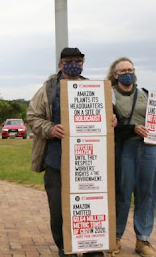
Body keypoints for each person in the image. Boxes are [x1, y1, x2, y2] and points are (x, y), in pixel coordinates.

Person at [26, 47, 105, 257]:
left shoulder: (93, 87)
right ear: (61, 64)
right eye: (69, 60)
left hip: (87, 163)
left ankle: (90, 246)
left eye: (78, 60)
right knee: (58, 210)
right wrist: (50, 129)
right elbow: (33, 116)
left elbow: (107, 115)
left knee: (89, 206)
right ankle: (65, 246)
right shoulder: (49, 88)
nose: (74, 64)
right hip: (56, 160)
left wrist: (111, 118)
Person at [107, 57, 156, 257]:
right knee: (122, 192)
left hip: (149, 148)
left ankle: (143, 239)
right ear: (116, 75)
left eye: (131, 69)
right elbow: (112, 125)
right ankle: (116, 237)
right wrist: (132, 128)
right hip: (125, 147)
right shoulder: (109, 96)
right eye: (124, 70)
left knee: (147, 193)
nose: (128, 73)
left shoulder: (146, 94)